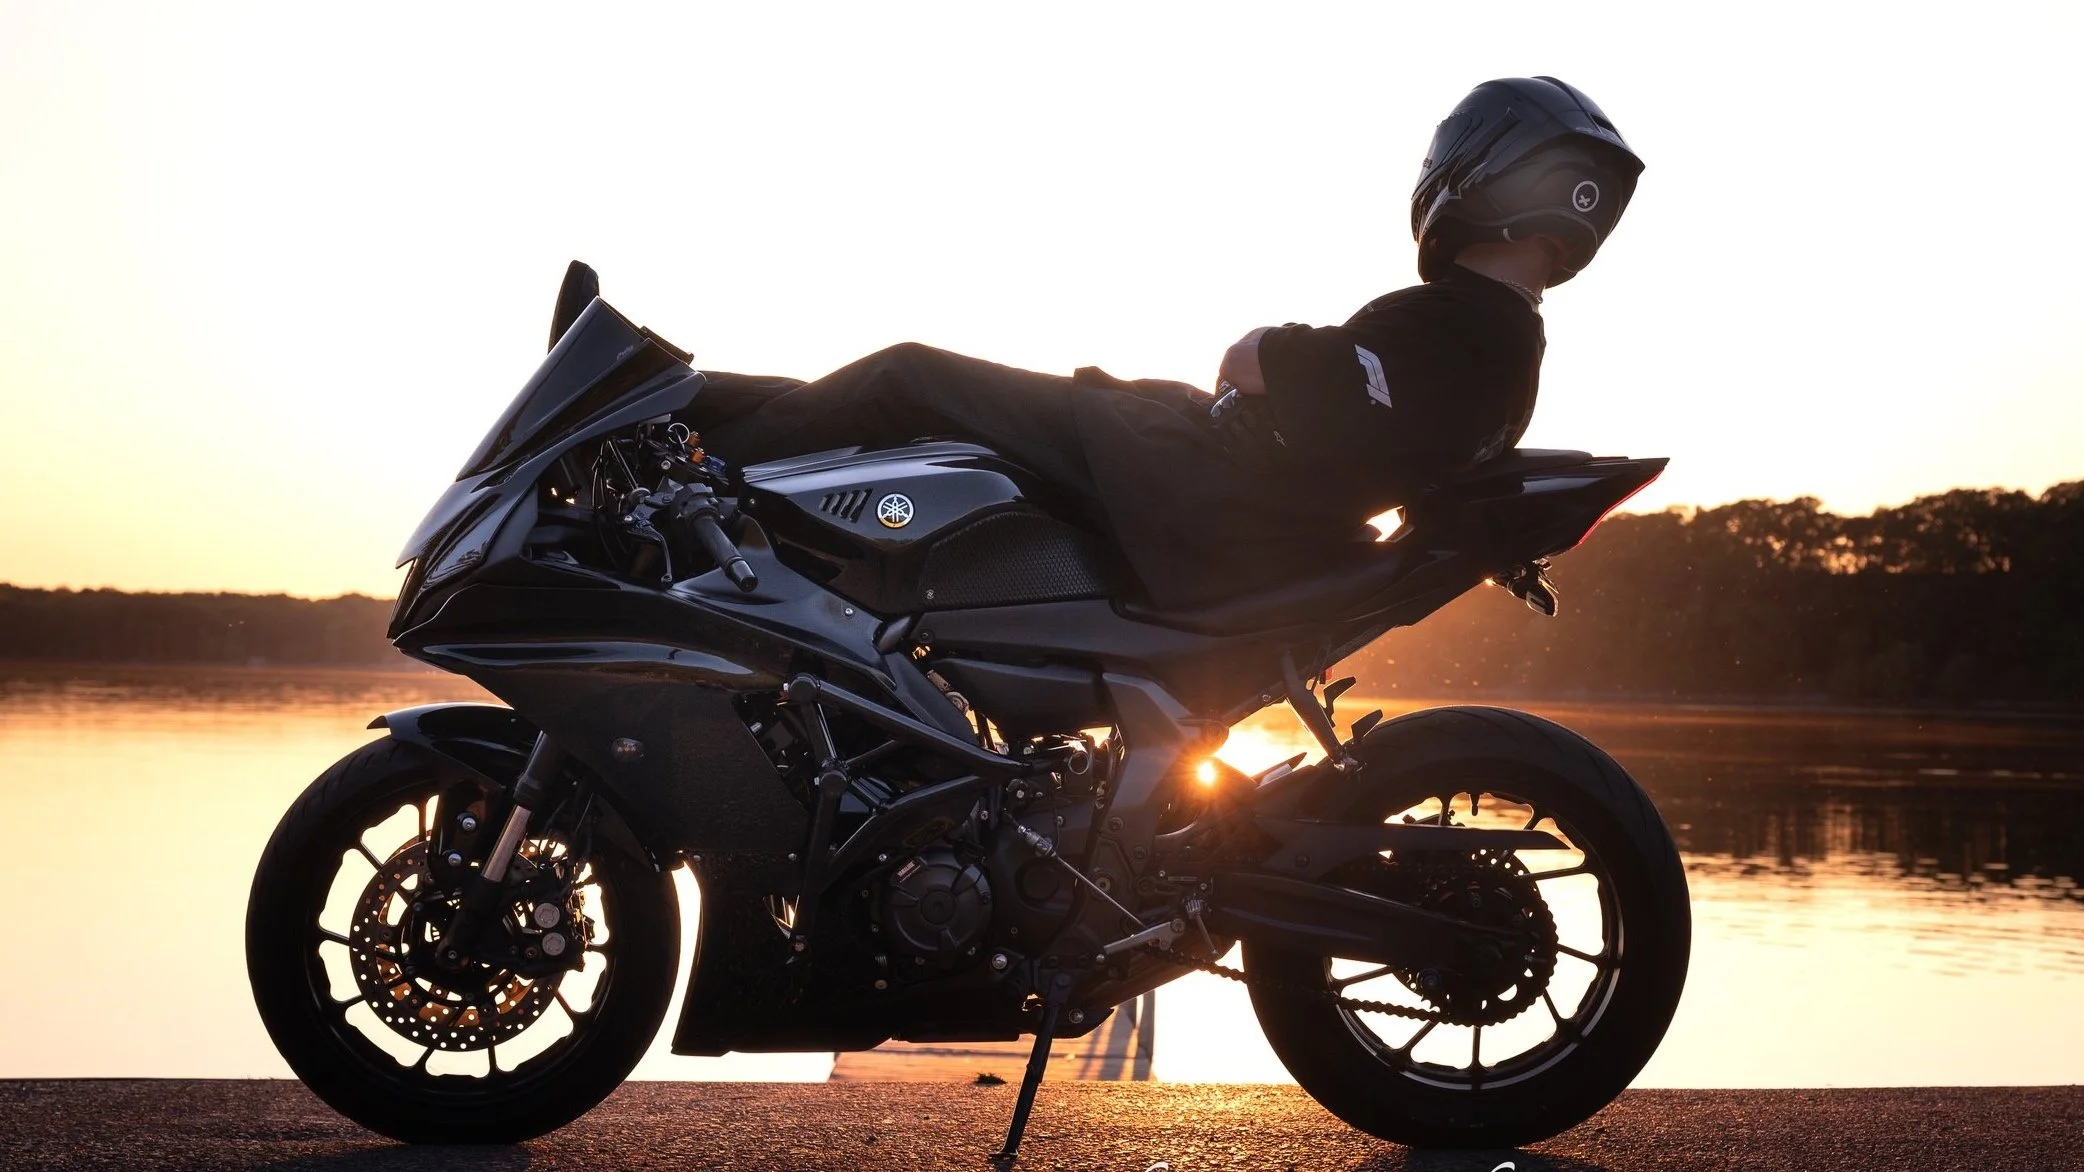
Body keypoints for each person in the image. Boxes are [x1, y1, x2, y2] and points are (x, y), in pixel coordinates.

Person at [693, 77, 1644, 611]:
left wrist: (1264, 345)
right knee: (884, 406)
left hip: (1185, 488)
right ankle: (685, 410)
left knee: (908, 375)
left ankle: (692, 482)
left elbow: (1276, 369)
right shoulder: (1507, 346)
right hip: (1199, 486)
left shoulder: (1468, 327)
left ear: (1481, 168)